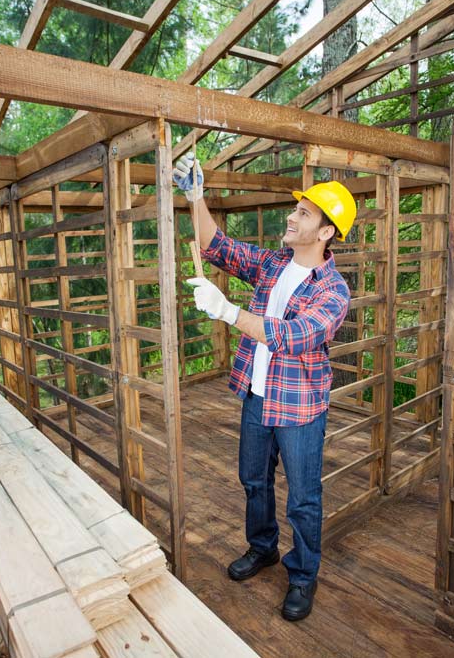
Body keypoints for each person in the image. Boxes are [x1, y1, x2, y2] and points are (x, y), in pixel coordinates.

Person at [173, 152, 355, 622]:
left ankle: (302, 575)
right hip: (257, 396)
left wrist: (228, 311)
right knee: (254, 481)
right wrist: (196, 197)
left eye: (303, 213)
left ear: (326, 232)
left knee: (303, 497)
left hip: (299, 409)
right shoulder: (274, 264)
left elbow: (295, 336)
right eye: (295, 210)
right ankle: (263, 549)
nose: (291, 217)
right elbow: (217, 246)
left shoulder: (332, 290)